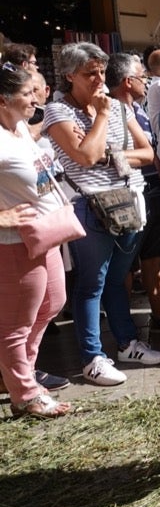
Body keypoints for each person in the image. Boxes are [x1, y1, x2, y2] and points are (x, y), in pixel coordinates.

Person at [43, 43, 160, 386]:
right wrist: (101, 117)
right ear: (69, 76)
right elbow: (83, 157)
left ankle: (126, 343)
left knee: (118, 279)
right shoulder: (59, 113)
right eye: (89, 73)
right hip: (89, 204)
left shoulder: (117, 107)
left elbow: (147, 152)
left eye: (101, 71)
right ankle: (92, 357)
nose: (98, 79)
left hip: (129, 200)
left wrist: (109, 152)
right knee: (91, 283)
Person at [0, 65, 71, 417]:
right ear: (3, 99)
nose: (36, 97)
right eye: (28, 92)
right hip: (12, 243)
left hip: (46, 232)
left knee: (52, 302)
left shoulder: (18, 129)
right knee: (16, 322)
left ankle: (21, 377)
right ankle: (24, 395)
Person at [105, 53, 160, 337]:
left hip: (155, 191)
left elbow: (151, 152)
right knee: (127, 266)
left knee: (154, 258)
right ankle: (124, 325)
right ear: (128, 82)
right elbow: (115, 155)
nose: (147, 82)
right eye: (142, 77)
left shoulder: (138, 110)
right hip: (127, 194)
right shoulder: (109, 112)